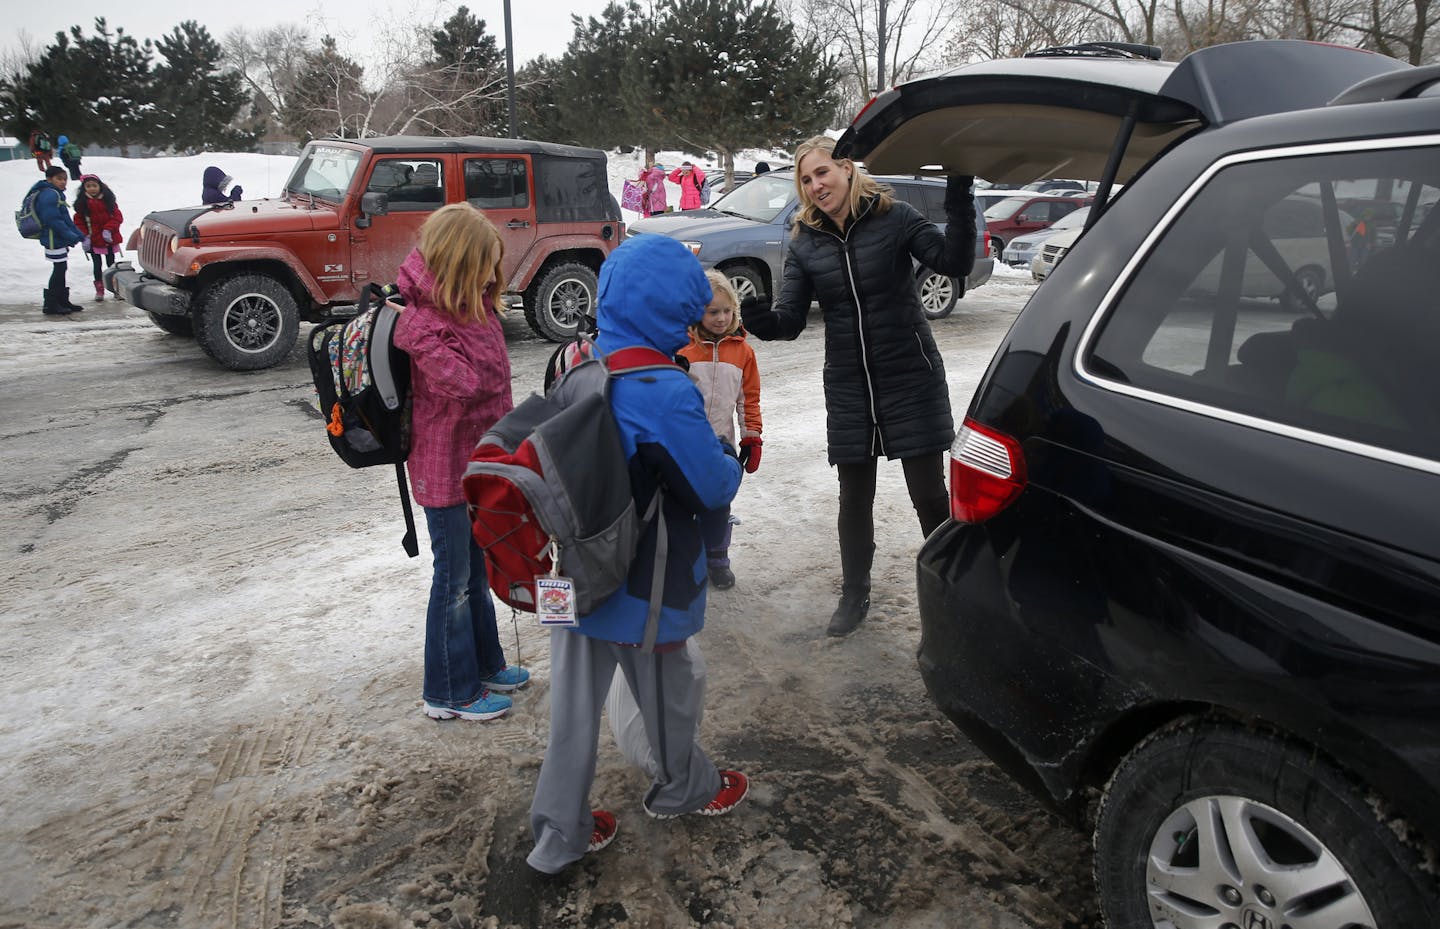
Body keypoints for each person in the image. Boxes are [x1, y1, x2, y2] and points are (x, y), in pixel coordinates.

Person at [526, 234, 748, 875]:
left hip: (571, 568)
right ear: (674, 305)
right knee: (670, 690)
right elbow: (712, 486)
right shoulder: (661, 387)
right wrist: (728, 456)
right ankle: (686, 788)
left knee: (570, 711)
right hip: (639, 579)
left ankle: (557, 835)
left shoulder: (582, 366)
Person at [740, 135, 976, 637]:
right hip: (849, 381)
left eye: (822, 173)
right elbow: (791, 320)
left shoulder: (897, 217)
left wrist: (959, 193)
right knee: (854, 495)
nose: (816, 185)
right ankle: (854, 593)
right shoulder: (805, 241)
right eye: (806, 179)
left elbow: (952, 262)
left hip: (910, 373)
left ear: (846, 168)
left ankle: (953, 591)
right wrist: (760, 318)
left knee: (929, 494)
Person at [391, 203, 531, 722]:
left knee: (477, 573)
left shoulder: (472, 308)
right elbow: (465, 384)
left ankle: (486, 665)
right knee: (452, 583)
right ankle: (448, 690)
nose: (495, 276)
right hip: (445, 472)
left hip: (480, 464)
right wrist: (422, 335)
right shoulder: (423, 322)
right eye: (486, 266)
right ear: (459, 264)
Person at [676, 269, 763, 590]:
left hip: (719, 444)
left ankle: (717, 558)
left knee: (717, 503)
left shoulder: (743, 352)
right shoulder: (682, 349)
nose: (722, 318)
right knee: (683, 505)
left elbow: (748, 398)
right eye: (713, 311)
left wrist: (751, 437)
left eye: (728, 311)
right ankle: (688, 559)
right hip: (682, 445)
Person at [28, 166, 86, 316]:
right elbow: (53, 219)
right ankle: (51, 304)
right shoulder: (50, 194)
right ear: (49, 179)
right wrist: (70, 235)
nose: (62, 182)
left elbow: (64, 218)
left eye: (64, 179)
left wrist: (76, 233)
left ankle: (61, 300)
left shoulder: (53, 193)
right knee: (59, 269)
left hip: (57, 237)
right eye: (59, 179)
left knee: (61, 268)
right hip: (54, 238)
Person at [73, 174, 124, 303]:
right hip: (94, 240)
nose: (92, 189)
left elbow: (117, 217)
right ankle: (99, 290)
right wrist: (84, 236)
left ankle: (115, 289)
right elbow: (79, 222)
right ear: (84, 188)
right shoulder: (82, 204)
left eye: (94, 186)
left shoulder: (108, 201)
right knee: (97, 266)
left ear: (100, 187)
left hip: (108, 239)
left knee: (111, 265)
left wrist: (108, 229)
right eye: (88, 186)